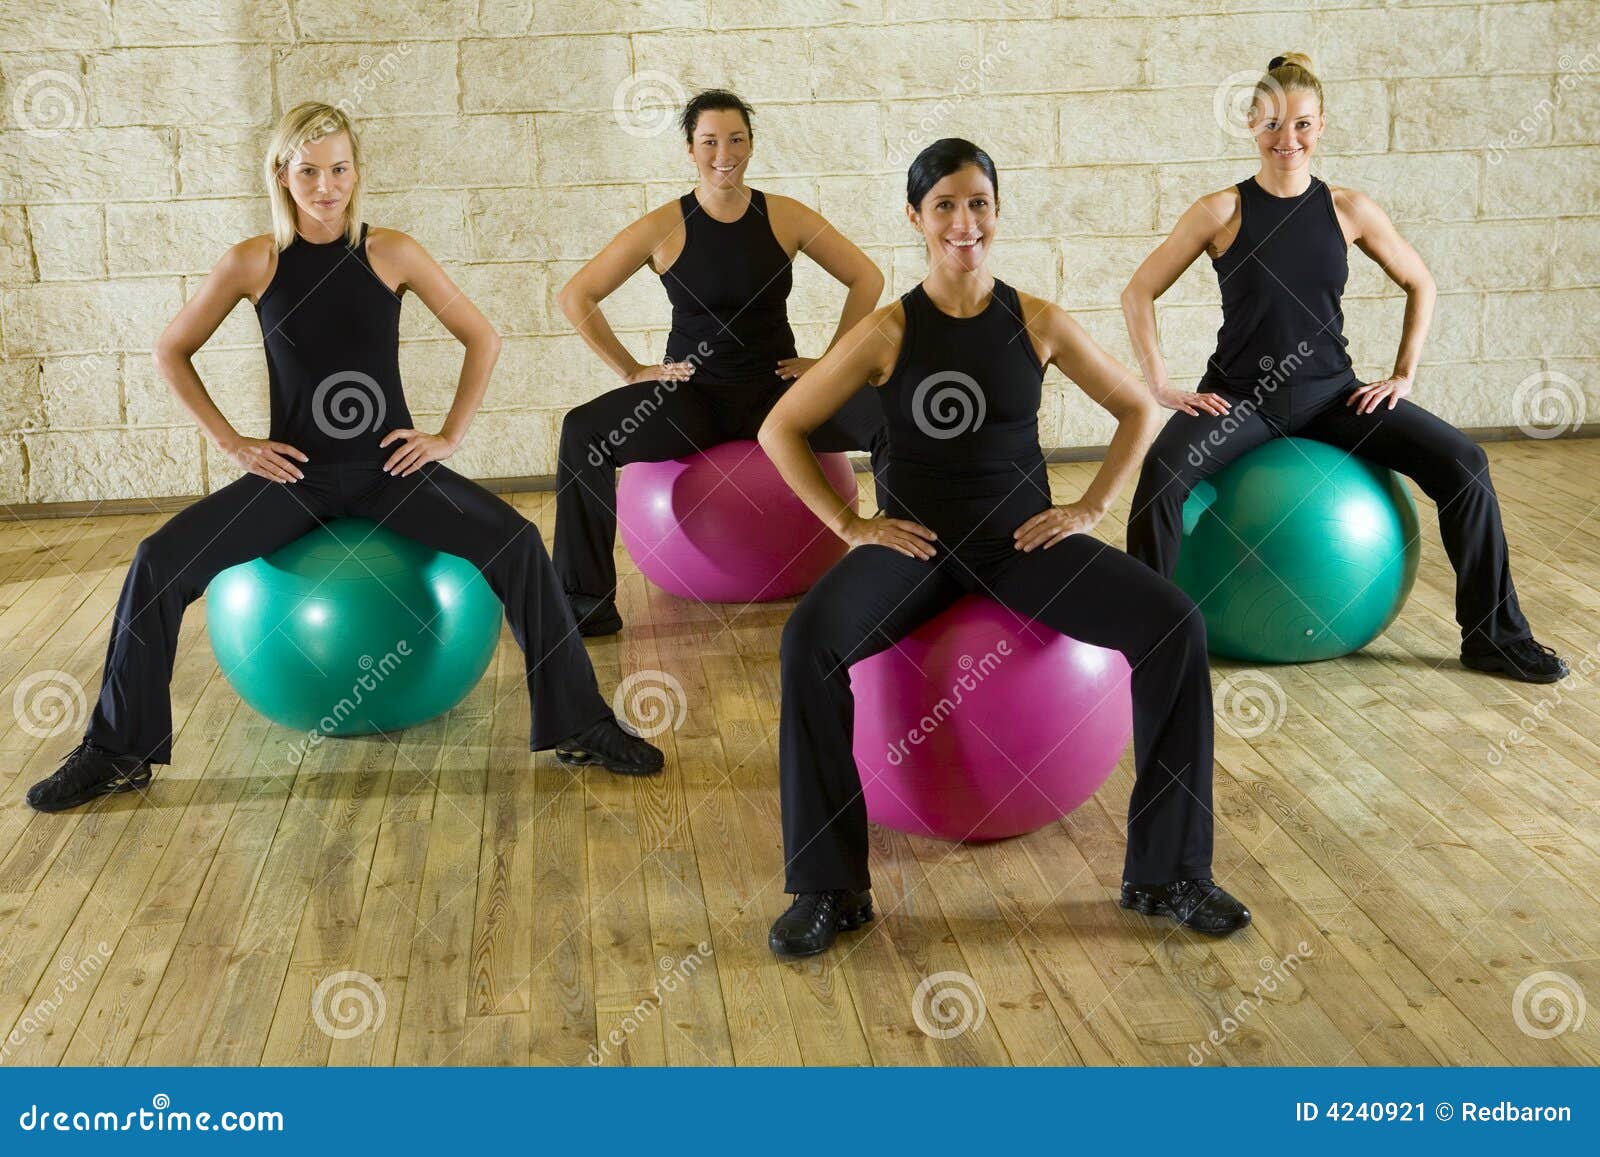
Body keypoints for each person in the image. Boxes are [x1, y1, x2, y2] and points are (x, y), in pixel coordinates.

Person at [26, 102, 662, 814]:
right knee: (155, 559)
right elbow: (170, 350)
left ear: (356, 172)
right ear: (281, 173)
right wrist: (232, 442)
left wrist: (447, 437)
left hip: (390, 471)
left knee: (517, 543)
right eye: (308, 170)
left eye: (339, 168)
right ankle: (116, 749)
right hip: (296, 477)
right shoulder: (252, 261)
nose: (325, 185)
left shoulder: (391, 251)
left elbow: (482, 336)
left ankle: (581, 723)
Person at [757, 139, 1252, 960]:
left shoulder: (1037, 321)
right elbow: (782, 427)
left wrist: (1090, 506)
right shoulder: (886, 331)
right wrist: (851, 529)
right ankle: (828, 890)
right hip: (913, 548)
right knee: (808, 640)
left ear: (998, 211)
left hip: (1022, 543)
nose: (964, 221)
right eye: (944, 204)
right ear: (915, 218)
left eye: (979, 202)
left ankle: (1168, 873)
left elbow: (1137, 408)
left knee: (1174, 624)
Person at [1122, 53, 1567, 684]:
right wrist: (1163, 386)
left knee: (1466, 464)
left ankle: (1494, 635)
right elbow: (1138, 292)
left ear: (1322, 125)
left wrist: (1402, 374)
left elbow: (1421, 282)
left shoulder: (1349, 209)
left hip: (1333, 397)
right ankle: (1149, 647)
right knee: (1162, 476)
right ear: (1251, 123)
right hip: (1242, 401)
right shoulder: (1220, 211)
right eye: (1273, 124)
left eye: (1302, 124)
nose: (1287, 139)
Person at [554, 89, 889, 636]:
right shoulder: (663, 226)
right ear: (691, 149)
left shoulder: (785, 216)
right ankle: (584, 603)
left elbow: (866, 277)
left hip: (781, 397)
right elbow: (577, 296)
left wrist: (830, 364)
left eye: (736, 138)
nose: (723, 152)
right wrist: (633, 372)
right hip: (693, 399)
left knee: (892, 414)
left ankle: (905, 576)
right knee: (581, 432)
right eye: (709, 141)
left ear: (752, 145)